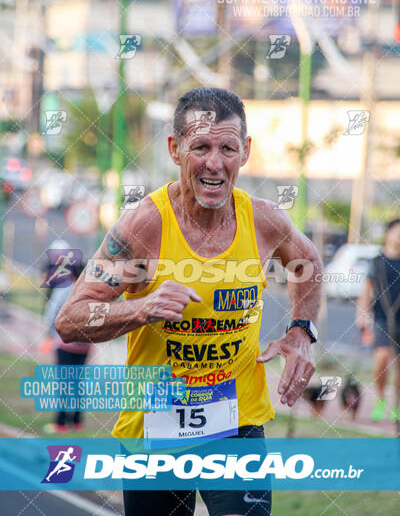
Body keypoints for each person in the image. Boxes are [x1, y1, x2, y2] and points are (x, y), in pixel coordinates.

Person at [56, 88, 322, 516]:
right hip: (154, 429)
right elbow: (71, 319)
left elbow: (307, 262)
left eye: (227, 148)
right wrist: (141, 308)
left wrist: (301, 331)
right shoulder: (145, 226)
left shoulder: (266, 220)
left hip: (236, 424)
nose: (214, 163)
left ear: (246, 151)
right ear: (175, 149)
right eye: (200, 146)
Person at [356, 219, 400, 424]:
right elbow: (366, 291)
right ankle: (381, 398)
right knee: (382, 358)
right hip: (382, 317)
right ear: (388, 233)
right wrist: (362, 315)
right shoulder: (377, 261)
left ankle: (397, 405)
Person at [42, 262, 91, 433]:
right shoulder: (94, 294)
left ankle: (61, 423)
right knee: (77, 382)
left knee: (64, 383)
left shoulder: (64, 290)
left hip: (64, 344)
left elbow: (52, 312)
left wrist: (48, 334)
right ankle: (77, 422)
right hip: (85, 346)